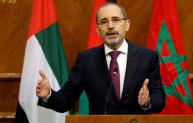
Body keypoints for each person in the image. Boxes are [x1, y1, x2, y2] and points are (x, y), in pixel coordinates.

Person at [36, 2, 165, 114]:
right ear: (97, 30)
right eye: (104, 22)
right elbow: (66, 101)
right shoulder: (85, 60)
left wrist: (147, 102)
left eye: (116, 19)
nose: (110, 26)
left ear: (127, 25)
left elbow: (159, 99)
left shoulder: (147, 57)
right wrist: (48, 94)